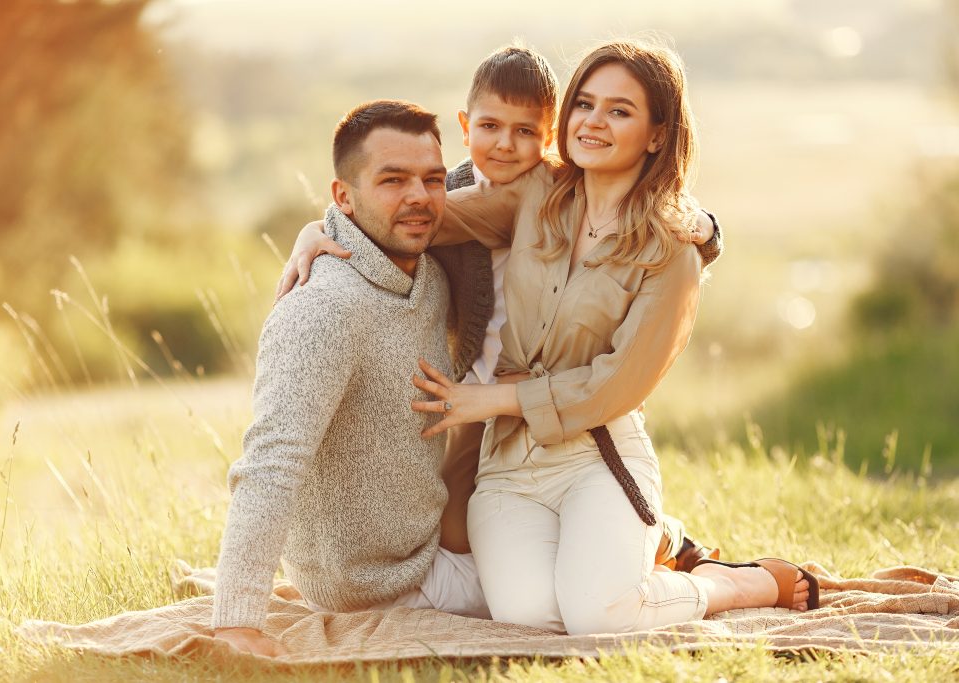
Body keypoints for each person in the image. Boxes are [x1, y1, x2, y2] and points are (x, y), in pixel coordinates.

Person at [288, 39, 818, 636]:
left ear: (657, 135)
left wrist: (491, 400)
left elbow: (619, 383)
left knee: (598, 617)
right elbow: (418, 218)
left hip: (597, 451)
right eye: (584, 104)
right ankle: (648, 550)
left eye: (619, 111)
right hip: (509, 463)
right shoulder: (535, 192)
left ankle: (735, 582)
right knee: (526, 614)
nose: (593, 122)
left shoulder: (674, 248)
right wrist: (322, 226)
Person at [210, 100, 492, 657]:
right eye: (393, 180)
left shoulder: (429, 276)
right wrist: (237, 622)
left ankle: (657, 536)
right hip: (375, 587)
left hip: (428, 546)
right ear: (343, 196)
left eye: (432, 180)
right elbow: (271, 461)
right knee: (564, 598)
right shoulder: (323, 309)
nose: (419, 196)